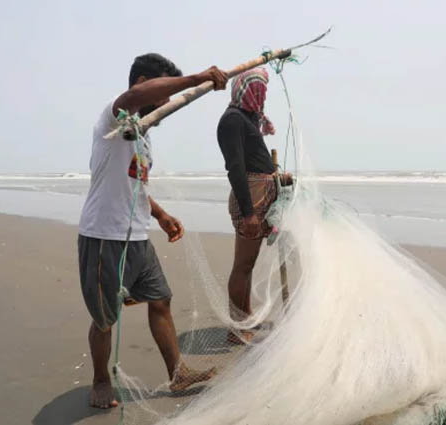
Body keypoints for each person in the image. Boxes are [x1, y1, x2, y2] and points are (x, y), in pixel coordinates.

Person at [77, 53, 228, 409]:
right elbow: (132, 99)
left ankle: (178, 374)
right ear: (142, 83)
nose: (165, 104)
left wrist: (159, 215)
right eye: (161, 93)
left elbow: (135, 186)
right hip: (104, 237)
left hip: (138, 236)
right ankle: (100, 381)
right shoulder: (113, 116)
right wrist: (195, 79)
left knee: (160, 299)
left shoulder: (141, 137)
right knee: (105, 317)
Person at [216, 68, 290, 343]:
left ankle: (245, 318)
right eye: (261, 89)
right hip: (250, 199)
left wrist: (275, 175)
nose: (264, 94)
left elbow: (256, 159)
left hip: (261, 196)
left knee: (249, 264)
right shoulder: (232, 120)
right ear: (248, 90)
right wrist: (248, 213)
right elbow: (235, 168)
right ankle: (237, 328)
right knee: (243, 265)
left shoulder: (248, 119)